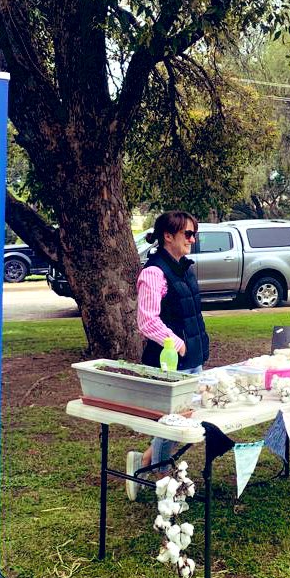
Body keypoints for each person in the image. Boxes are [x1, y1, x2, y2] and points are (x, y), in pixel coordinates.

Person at [125, 210, 210, 500]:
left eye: (193, 233)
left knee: (181, 421)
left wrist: (196, 348)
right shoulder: (153, 272)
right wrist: (179, 344)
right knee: (171, 424)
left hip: (192, 360)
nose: (192, 239)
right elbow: (147, 320)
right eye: (187, 233)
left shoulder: (184, 267)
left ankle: (146, 461)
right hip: (169, 363)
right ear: (168, 236)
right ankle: (164, 481)